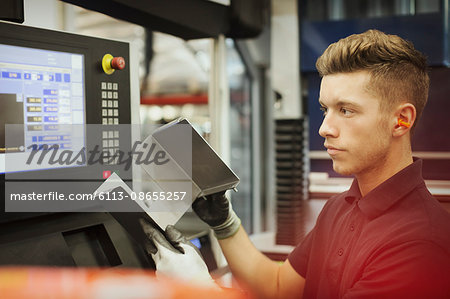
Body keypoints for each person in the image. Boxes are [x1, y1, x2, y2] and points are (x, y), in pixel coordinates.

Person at [141, 30, 450, 298]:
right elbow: (278, 288)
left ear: (401, 120)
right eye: (325, 109)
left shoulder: (422, 245)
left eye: (347, 110)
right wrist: (226, 224)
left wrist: (197, 289)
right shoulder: (339, 208)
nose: (325, 128)